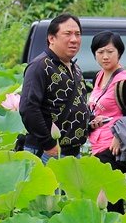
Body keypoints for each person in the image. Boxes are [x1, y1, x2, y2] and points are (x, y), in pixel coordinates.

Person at [87, 31, 126, 213]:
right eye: (100, 52)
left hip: (115, 150)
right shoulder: (99, 76)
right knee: (102, 199)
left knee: (112, 200)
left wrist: (120, 136)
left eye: (110, 52)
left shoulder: (125, 82)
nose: (105, 57)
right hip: (97, 145)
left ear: (119, 53)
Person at [18, 13, 90, 163]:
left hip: (71, 152)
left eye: (77, 34)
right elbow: (28, 108)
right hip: (47, 152)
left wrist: (92, 119)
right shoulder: (40, 66)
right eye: (68, 34)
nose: (74, 39)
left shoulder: (75, 68)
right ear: (51, 38)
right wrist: (48, 144)